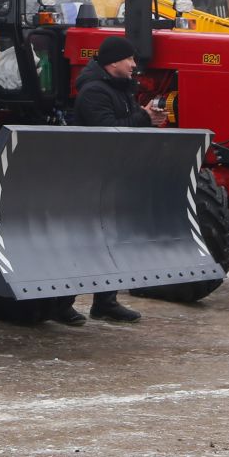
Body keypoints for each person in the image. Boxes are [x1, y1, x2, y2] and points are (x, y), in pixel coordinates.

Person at [54, 34, 167, 326]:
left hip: (114, 175)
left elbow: (126, 126)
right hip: (92, 177)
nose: (134, 65)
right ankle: (62, 304)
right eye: (130, 59)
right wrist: (143, 119)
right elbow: (107, 132)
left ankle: (105, 302)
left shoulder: (120, 89)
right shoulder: (94, 92)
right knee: (83, 242)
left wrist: (147, 119)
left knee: (112, 240)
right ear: (113, 61)